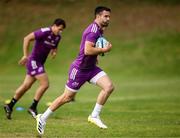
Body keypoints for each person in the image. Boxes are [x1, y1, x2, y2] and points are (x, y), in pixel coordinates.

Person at [36, 6, 114, 135]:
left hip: (91, 68)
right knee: (66, 97)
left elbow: (87, 47)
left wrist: (95, 57)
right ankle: (42, 118)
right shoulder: (93, 30)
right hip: (79, 70)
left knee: (109, 87)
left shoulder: (99, 30)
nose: (108, 19)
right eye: (106, 16)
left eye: (109, 16)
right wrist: (103, 50)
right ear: (98, 16)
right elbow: (87, 50)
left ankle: (94, 116)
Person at [3, 18, 66, 119]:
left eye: (62, 30)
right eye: (59, 29)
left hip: (40, 62)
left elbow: (54, 46)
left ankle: (9, 105)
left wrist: (54, 52)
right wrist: (25, 55)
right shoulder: (44, 31)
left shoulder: (58, 37)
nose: (60, 31)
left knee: (26, 86)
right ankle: (33, 107)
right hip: (34, 61)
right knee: (45, 84)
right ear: (54, 26)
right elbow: (26, 38)